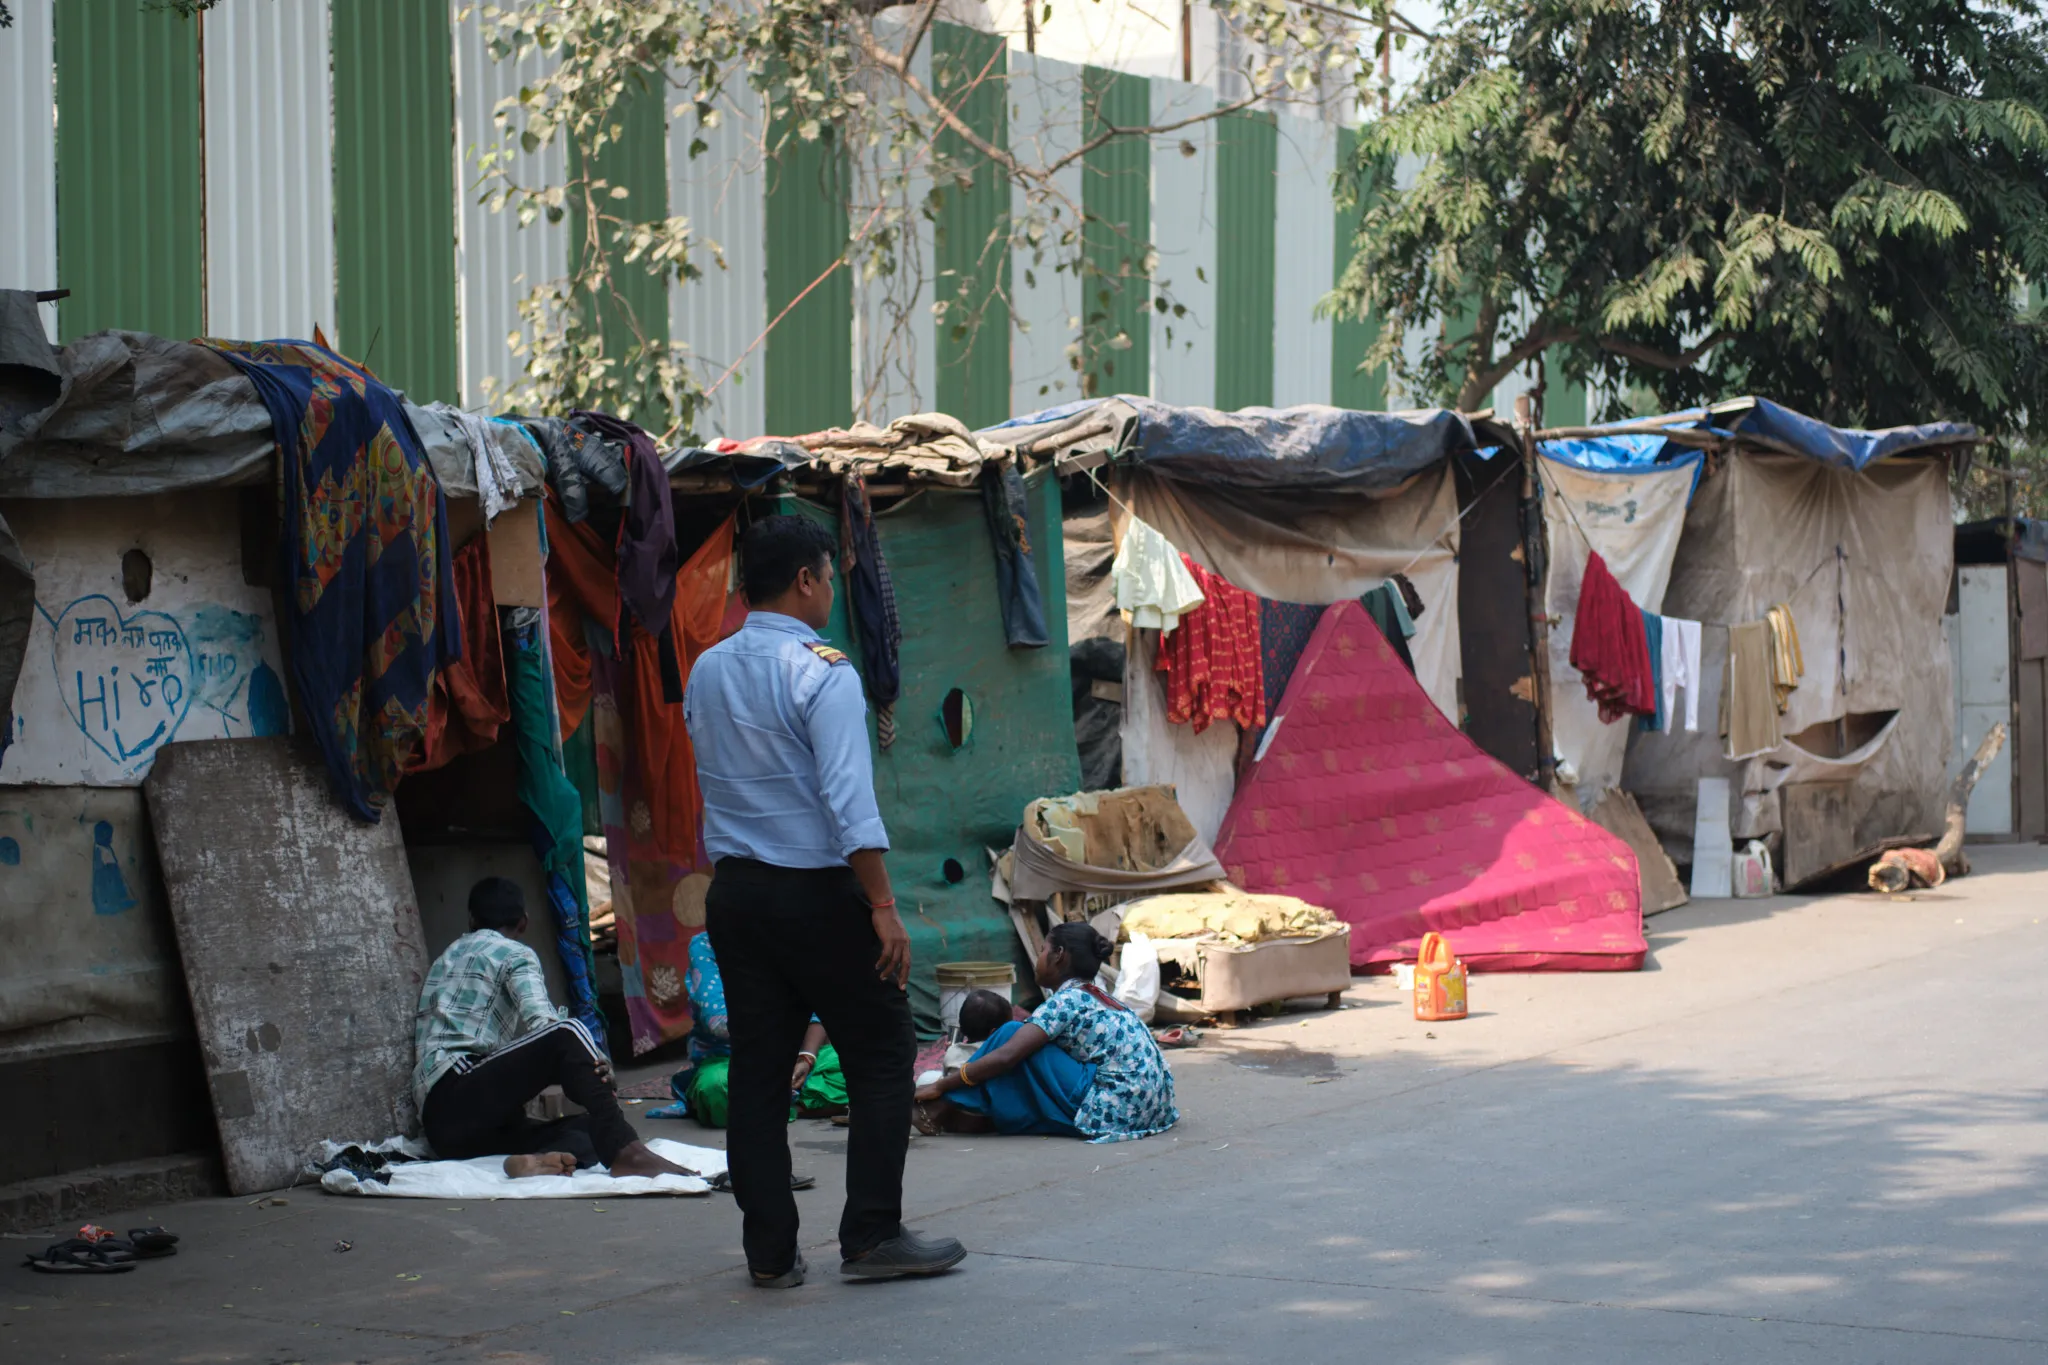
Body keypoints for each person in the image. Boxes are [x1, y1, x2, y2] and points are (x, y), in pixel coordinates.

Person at [684, 514, 965, 1288]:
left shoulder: (705, 669)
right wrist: (882, 904)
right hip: (816, 892)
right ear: (805, 580)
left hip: (736, 895)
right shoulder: (822, 670)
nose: (833, 589)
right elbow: (849, 802)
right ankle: (872, 1234)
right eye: (829, 576)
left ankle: (769, 1252)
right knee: (881, 1055)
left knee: (759, 1071)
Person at [414, 877, 692, 1180]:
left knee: (588, 1130)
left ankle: (532, 1161)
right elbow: (545, 1024)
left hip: (447, 1130)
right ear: (524, 922)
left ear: (471, 919)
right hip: (457, 1090)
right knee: (568, 1032)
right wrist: (591, 1061)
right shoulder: (515, 954)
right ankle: (626, 1150)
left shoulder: (444, 958)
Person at [914, 923, 1180, 1143]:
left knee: (1011, 1035)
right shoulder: (1099, 997)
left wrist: (941, 1084)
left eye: (1043, 951)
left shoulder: (1066, 1002)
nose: (1038, 959)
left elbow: (1007, 1055)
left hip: (1115, 1108)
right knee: (1024, 1048)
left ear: (1059, 955)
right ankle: (969, 1113)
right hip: (1153, 1108)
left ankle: (941, 1107)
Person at [670, 929, 848, 1127]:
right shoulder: (707, 945)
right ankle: (793, 1105)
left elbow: (817, 1006)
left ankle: (768, 1107)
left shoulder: (794, 937)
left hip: (795, 1060)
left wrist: (806, 1057)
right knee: (715, 1087)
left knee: (859, 1064)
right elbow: (718, 1023)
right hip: (732, 1061)